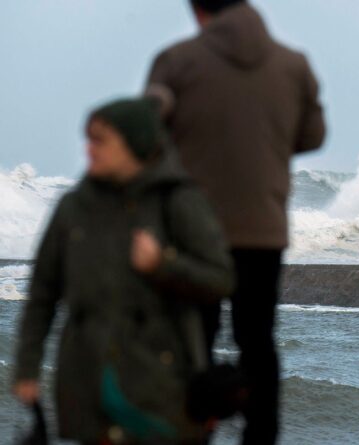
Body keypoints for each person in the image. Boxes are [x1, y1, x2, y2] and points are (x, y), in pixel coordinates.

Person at [145, 0, 326, 443]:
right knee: (257, 341)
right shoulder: (294, 65)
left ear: (197, 10)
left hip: (194, 232)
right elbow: (312, 136)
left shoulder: (176, 61)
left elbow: (147, 133)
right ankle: (260, 437)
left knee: (194, 341)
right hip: (262, 229)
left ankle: (193, 433)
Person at [13, 97, 235, 444]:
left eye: (100, 140)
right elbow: (42, 292)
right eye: (88, 139)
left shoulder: (177, 200)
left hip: (160, 382)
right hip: (88, 378)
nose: (88, 150)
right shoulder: (74, 207)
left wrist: (163, 265)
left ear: (135, 143)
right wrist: (27, 367)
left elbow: (221, 278)